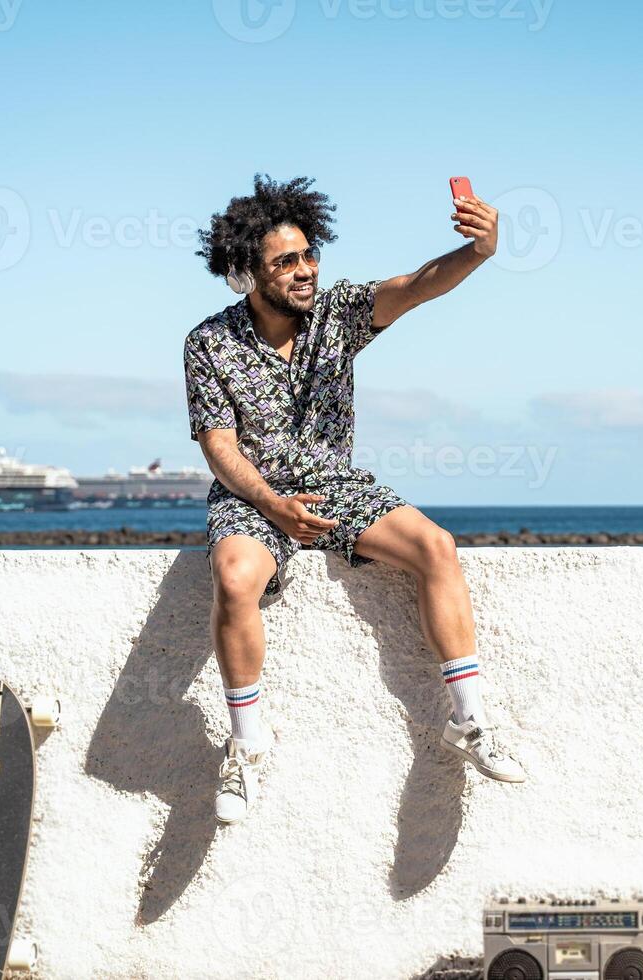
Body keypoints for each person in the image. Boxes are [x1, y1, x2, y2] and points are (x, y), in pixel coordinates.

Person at [183, 174, 526, 824]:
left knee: (435, 547)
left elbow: (420, 284)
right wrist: (272, 504)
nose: (305, 270)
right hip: (250, 494)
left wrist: (477, 252)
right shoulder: (208, 344)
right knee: (234, 577)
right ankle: (249, 745)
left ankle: (471, 722)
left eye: (310, 254)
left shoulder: (339, 314)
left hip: (333, 483)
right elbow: (219, 448)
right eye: (286, 262)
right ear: (246, 272)